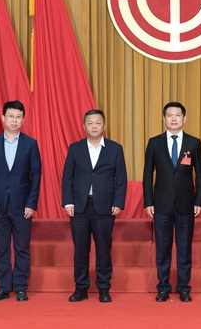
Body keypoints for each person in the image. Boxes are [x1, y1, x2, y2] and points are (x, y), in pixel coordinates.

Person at [142, 102, 201, 302]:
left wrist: (199, 201)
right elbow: (147, 175)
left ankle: (184, 288)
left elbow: (200, 176)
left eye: (178, 115)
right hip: (161, 204)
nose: (174, 119)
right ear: (164, 119)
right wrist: (148, 201)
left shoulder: (193, 143)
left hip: (186, 204)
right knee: (163, 248)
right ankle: (163, 287)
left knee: (184, 248)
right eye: (170, 115)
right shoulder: (154, 143)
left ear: (184, 119)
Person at [62, 109, 128, 303]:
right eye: (90, 123)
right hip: (79, 207)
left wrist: (118, 202)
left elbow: (121, 179)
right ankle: (81, 288)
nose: (94, 126)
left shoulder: (115, 148)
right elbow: (67, 177)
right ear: (84, 126)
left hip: (105, 207)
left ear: (104, 126)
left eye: (98, 123)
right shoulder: (75, 148)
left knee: (103, 249)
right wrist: (68, 202)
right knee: (80, 250)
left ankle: (104, 288)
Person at [0, 100, 41, 302]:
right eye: (11, 116)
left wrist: (31, 203)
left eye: (18, 117)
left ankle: (21, 287)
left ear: (23, 120)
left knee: (22, 248)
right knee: (1, 248)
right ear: (3, 118)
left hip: (22, 205)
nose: (14, 120)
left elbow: (36, 175)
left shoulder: (30, 144)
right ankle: (3, 288)